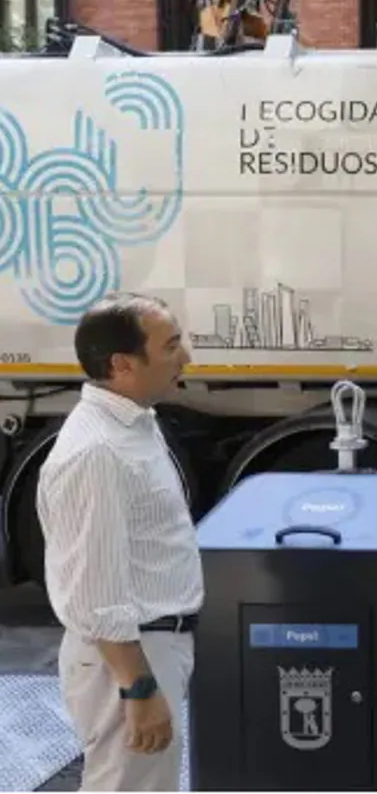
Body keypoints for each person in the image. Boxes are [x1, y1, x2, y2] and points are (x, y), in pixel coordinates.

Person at [37, 292, 201, 792]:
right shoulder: (97, 452)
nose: (186, 355)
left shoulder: (131, 422)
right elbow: (96, 587)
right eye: (171, 345)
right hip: (129, 657)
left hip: (152, 643)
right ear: (123, 365)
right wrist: (139, 686)